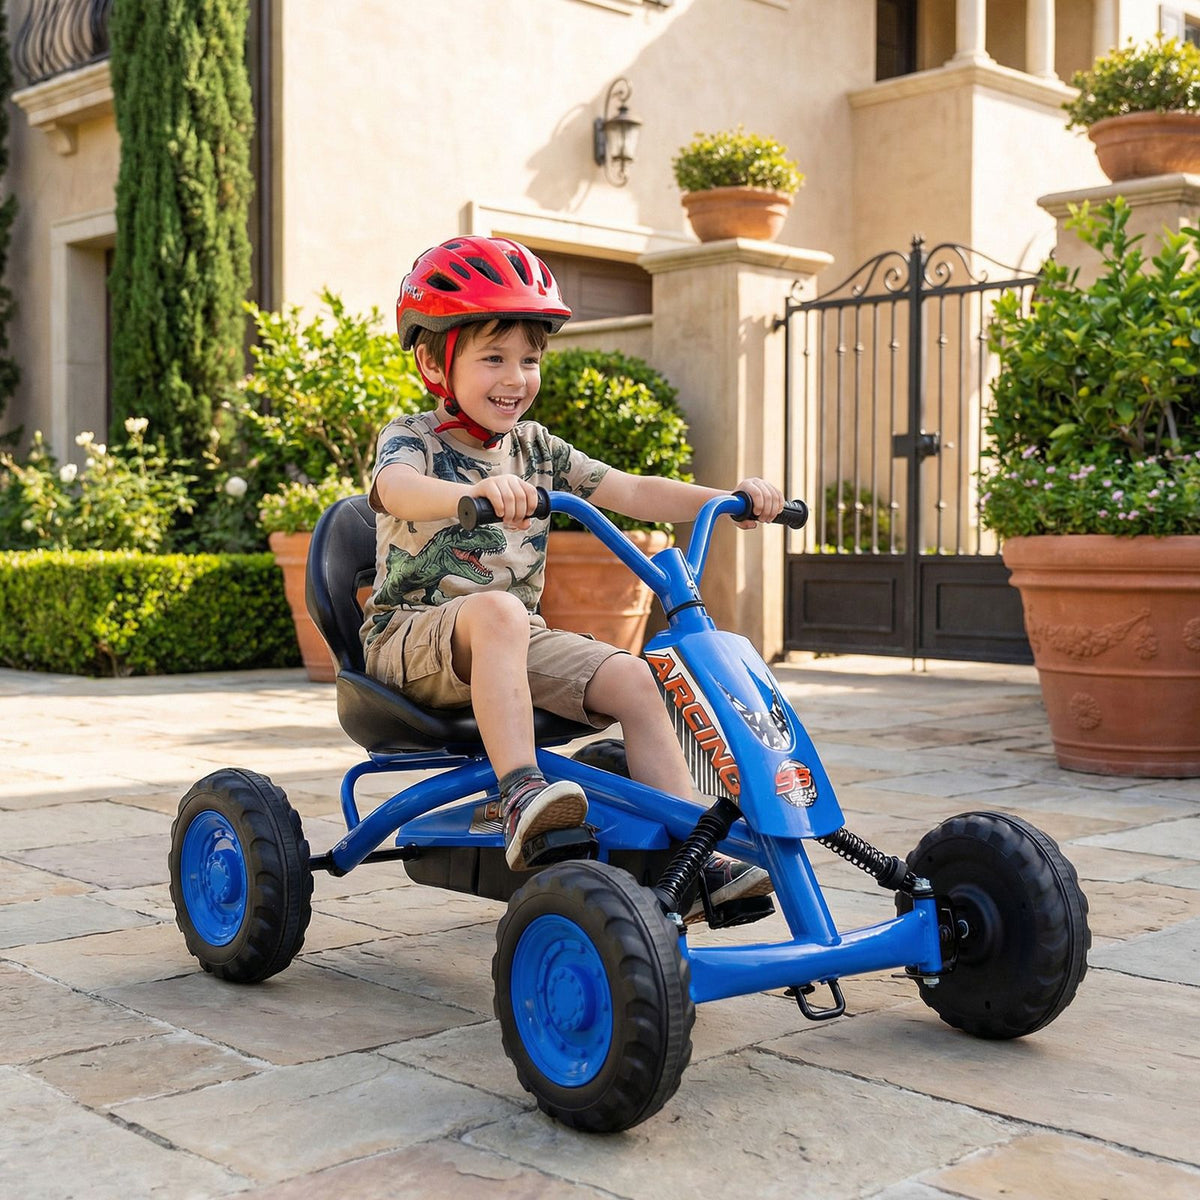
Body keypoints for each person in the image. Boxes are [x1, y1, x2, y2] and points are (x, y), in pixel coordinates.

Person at [361, 235, 783, 921]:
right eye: (493, 357)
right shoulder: (412, 437)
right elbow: (398, 489)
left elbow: (634, 490)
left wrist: (727, 500)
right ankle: (522, 792)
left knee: (638, 678)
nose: (516, 376)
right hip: (407, 642)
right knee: (498, 612)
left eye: (529, 359)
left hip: (512, 640)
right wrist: (471, 497)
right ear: (435, 360)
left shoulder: (537, 449)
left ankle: (691, 858)